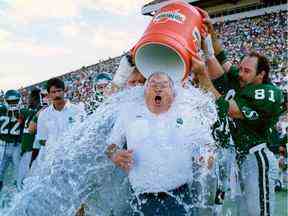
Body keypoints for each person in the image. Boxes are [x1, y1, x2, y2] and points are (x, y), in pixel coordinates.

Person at [191, 28, 284, 215]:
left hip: (256, 157)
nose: (240, 74)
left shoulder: (268, 93)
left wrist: (202, 75)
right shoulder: (245, 81)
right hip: (240, 157)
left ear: (261, 75)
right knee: (243, 211)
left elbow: (230, 110)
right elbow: (222, 61)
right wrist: (209, 39)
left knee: (258, 212)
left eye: (246, 71)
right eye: (240, 68)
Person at [105, 72, 216, 215]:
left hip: (180, 196)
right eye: (153, 85)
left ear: (173, 92)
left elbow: (206, 144)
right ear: (145, 91)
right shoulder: (129, 113)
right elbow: (110, 147)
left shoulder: (186, 112)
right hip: (142, 198)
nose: (158, 89)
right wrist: (115, 154)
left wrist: (206, 156)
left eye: (164, 85)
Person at [35, 78, 86, 162]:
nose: (57, 95)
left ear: (64, 91)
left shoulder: (77, 110)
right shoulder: (44, 115)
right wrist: (56, 147)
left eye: (59, 91)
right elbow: (42, 139)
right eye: (53, 92)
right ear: (49, 94)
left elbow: (84, 133)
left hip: (74, 156)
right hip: (53, 159)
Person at [17, 88, 43, 189]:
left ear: (34, 98)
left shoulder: (41, 111)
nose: (28, 99)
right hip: (26, 150)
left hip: (32, 151)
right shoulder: (30, 111)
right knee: (22, 181)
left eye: (29, 97)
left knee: (25, 182)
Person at [0, 90, 24, 191]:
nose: (13, 104)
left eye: (15, 101)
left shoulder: (24, 112)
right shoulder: (24, 111)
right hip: (3, 146)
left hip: (16, 146)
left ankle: (18, 192)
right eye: (10, 101)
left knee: (19, 176)